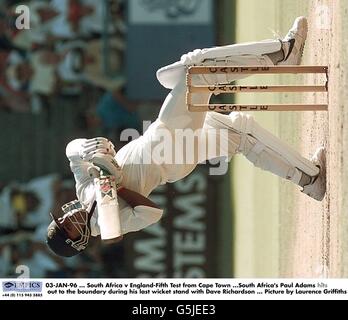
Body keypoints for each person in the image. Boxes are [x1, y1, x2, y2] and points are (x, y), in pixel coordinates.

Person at [46, 17, 326, 257]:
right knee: (198, 71)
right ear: (79, 240)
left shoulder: (84, 192)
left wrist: (85, 149)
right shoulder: (109, 222)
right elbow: (153, 213)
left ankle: (309, 178)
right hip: (167, 149)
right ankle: (282, 54)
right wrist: (115, 187)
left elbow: (71, 153)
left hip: (165, 144)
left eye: (63, 217)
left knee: (241, 134)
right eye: (67, 226)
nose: (69, 217)